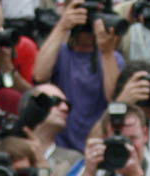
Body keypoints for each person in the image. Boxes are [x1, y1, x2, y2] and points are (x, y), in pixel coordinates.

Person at [33, 0, 126, 152]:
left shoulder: (112, 57)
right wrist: (62, 25)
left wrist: (106, 51)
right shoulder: (60, 52)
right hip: (61, 148)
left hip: (97, 147)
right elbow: (39, 75)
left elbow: (114, 98)